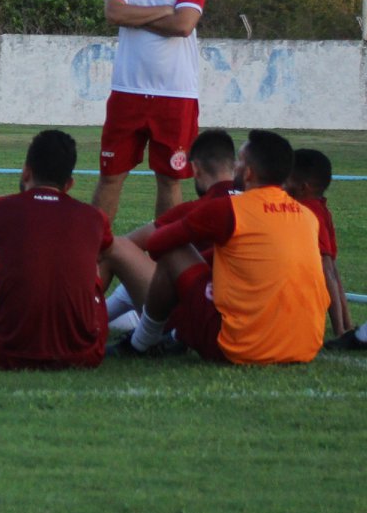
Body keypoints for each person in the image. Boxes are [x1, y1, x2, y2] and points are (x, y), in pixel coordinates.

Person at [111, 129, 323, 364]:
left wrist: (206, 262)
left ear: (249, 172)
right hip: (304, 346)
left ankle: (141, 342)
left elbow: (157, 243)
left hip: (240, 346)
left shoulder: (228, 207)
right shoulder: (307, 216)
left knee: (174, 251)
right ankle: (169, 332)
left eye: (241, 161)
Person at [0, 129, 117, 370]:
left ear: (26, 172)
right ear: (69, 183)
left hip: (3, 350)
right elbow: (109, 254)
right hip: (82, 352)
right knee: (97, 259)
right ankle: (148, 330)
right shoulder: (94, 218)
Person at [93, 0, 207, 223]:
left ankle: (164, 261)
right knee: (110, 175)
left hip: (175, 92)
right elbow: (114, 13)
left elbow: (184, 25)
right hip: (127, 90)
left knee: (170, 179)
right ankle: (94, 257)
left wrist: (137, 16)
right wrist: (163, 11)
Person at [98, 127, 238, 330]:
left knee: (119, 248)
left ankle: (81, 312)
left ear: (195, 169)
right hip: (247, 308)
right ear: (236, 166)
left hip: (197, 304)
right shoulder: (258, 206)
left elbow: (132, 243)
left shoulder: (199, 209)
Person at [285, 149, 348, 340]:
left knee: (327, 268)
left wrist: (340, 332)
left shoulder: (309, 211)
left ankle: (341, 330)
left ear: (303, 188)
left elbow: (326, 268)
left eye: (287, 180)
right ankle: (345, 327)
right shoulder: (320, 208)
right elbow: (334, 273)